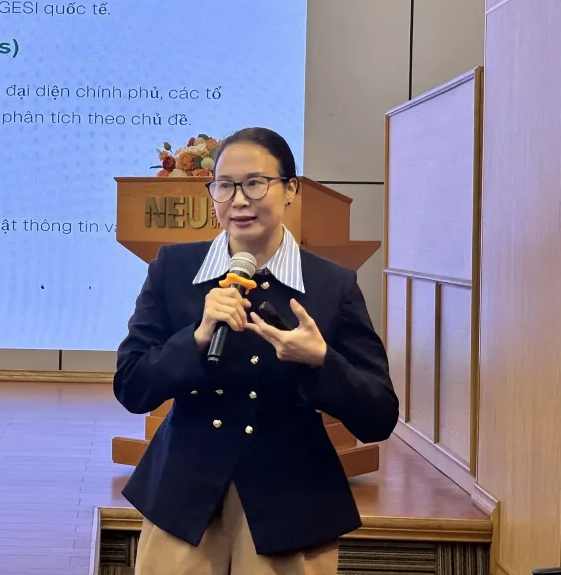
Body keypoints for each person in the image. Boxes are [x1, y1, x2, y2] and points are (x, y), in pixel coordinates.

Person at [113, 127, 398, 575]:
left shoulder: (331, 285)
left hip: (292, 502)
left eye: (255, 183)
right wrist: (196, 337)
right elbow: (131, 386)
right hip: (183, 499)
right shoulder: (174, 268)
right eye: (225, 186)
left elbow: (379, 416)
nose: (239, 200)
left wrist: (321, 362)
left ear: (291, 189)